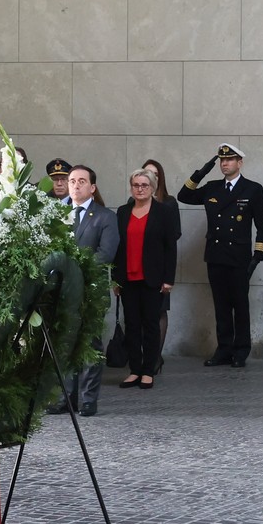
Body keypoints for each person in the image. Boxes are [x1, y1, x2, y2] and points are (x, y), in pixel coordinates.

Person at [177, 143, 263, 368]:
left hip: (239, 256)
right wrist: (203, 170)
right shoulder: (212, 187)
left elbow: (262, 224)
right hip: (216, 255)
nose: (225, 163)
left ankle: (241, 350)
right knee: (221, 305)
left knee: (240, 304)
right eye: (221, 160)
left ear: (240, 163)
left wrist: (258, 254)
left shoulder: (252, 189)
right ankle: (224, 349)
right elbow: (184, 195)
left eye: (230, 159)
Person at [48, 166, 119, 416]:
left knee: (91, 346)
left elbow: (105, 254)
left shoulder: (105, 217)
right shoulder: (57, 215)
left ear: (92, 187)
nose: (75, 185)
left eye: (81, 181)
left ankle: (88, 399)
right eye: (72, 181)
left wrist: (74, 270)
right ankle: (65, 397)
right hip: (63, 292)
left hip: (91, 291)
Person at [112, 168, 178, 388]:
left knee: (150, 324)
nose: (139, 189)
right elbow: (116, 247)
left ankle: (149, 370)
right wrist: (115, 279)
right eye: (136, 185)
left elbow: (170, 248)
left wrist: (169, 279)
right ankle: (135, 369)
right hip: (127, 278)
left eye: (144, 185)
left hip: (153, 278)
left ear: (152, 188)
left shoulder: (163, 212)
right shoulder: (122, 212)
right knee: (132, 325)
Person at [141, 158, 181, 371]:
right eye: (146, 172)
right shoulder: (134, 202)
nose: (150, 177)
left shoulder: (168, 203)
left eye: (155, 174)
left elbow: (175, 234)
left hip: (159, 266)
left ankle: (156, 357)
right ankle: (143, 356)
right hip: (138, 267)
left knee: (159, 312)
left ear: (160, 178)